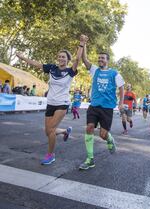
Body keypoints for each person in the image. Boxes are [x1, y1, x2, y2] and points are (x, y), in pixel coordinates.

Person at [15, 36, 85, 165]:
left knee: (51, 130)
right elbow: (36, 64)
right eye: (59, 56)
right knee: (48, 132)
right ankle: (65, 131)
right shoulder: (52, 68)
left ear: (68, 60)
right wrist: (22, 57)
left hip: (62, 104)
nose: (61, 58)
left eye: (64, 57)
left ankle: (51, 155)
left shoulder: (71, 71)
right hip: (50, 103)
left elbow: (77, 59)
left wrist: (81, 44)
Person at [79, 35, 125, 170]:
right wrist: (84, 43)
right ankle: (90, 159)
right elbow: (84, 59)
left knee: (103, 135)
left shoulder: (114, 73)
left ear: (107, 60)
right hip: (94, 106)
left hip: (107, 108)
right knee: (89, 128)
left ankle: (109, 139)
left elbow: (121, 87)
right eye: (99, 58)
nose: (100, 59)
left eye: (102, 58)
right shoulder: (94, 70)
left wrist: (121, 103)